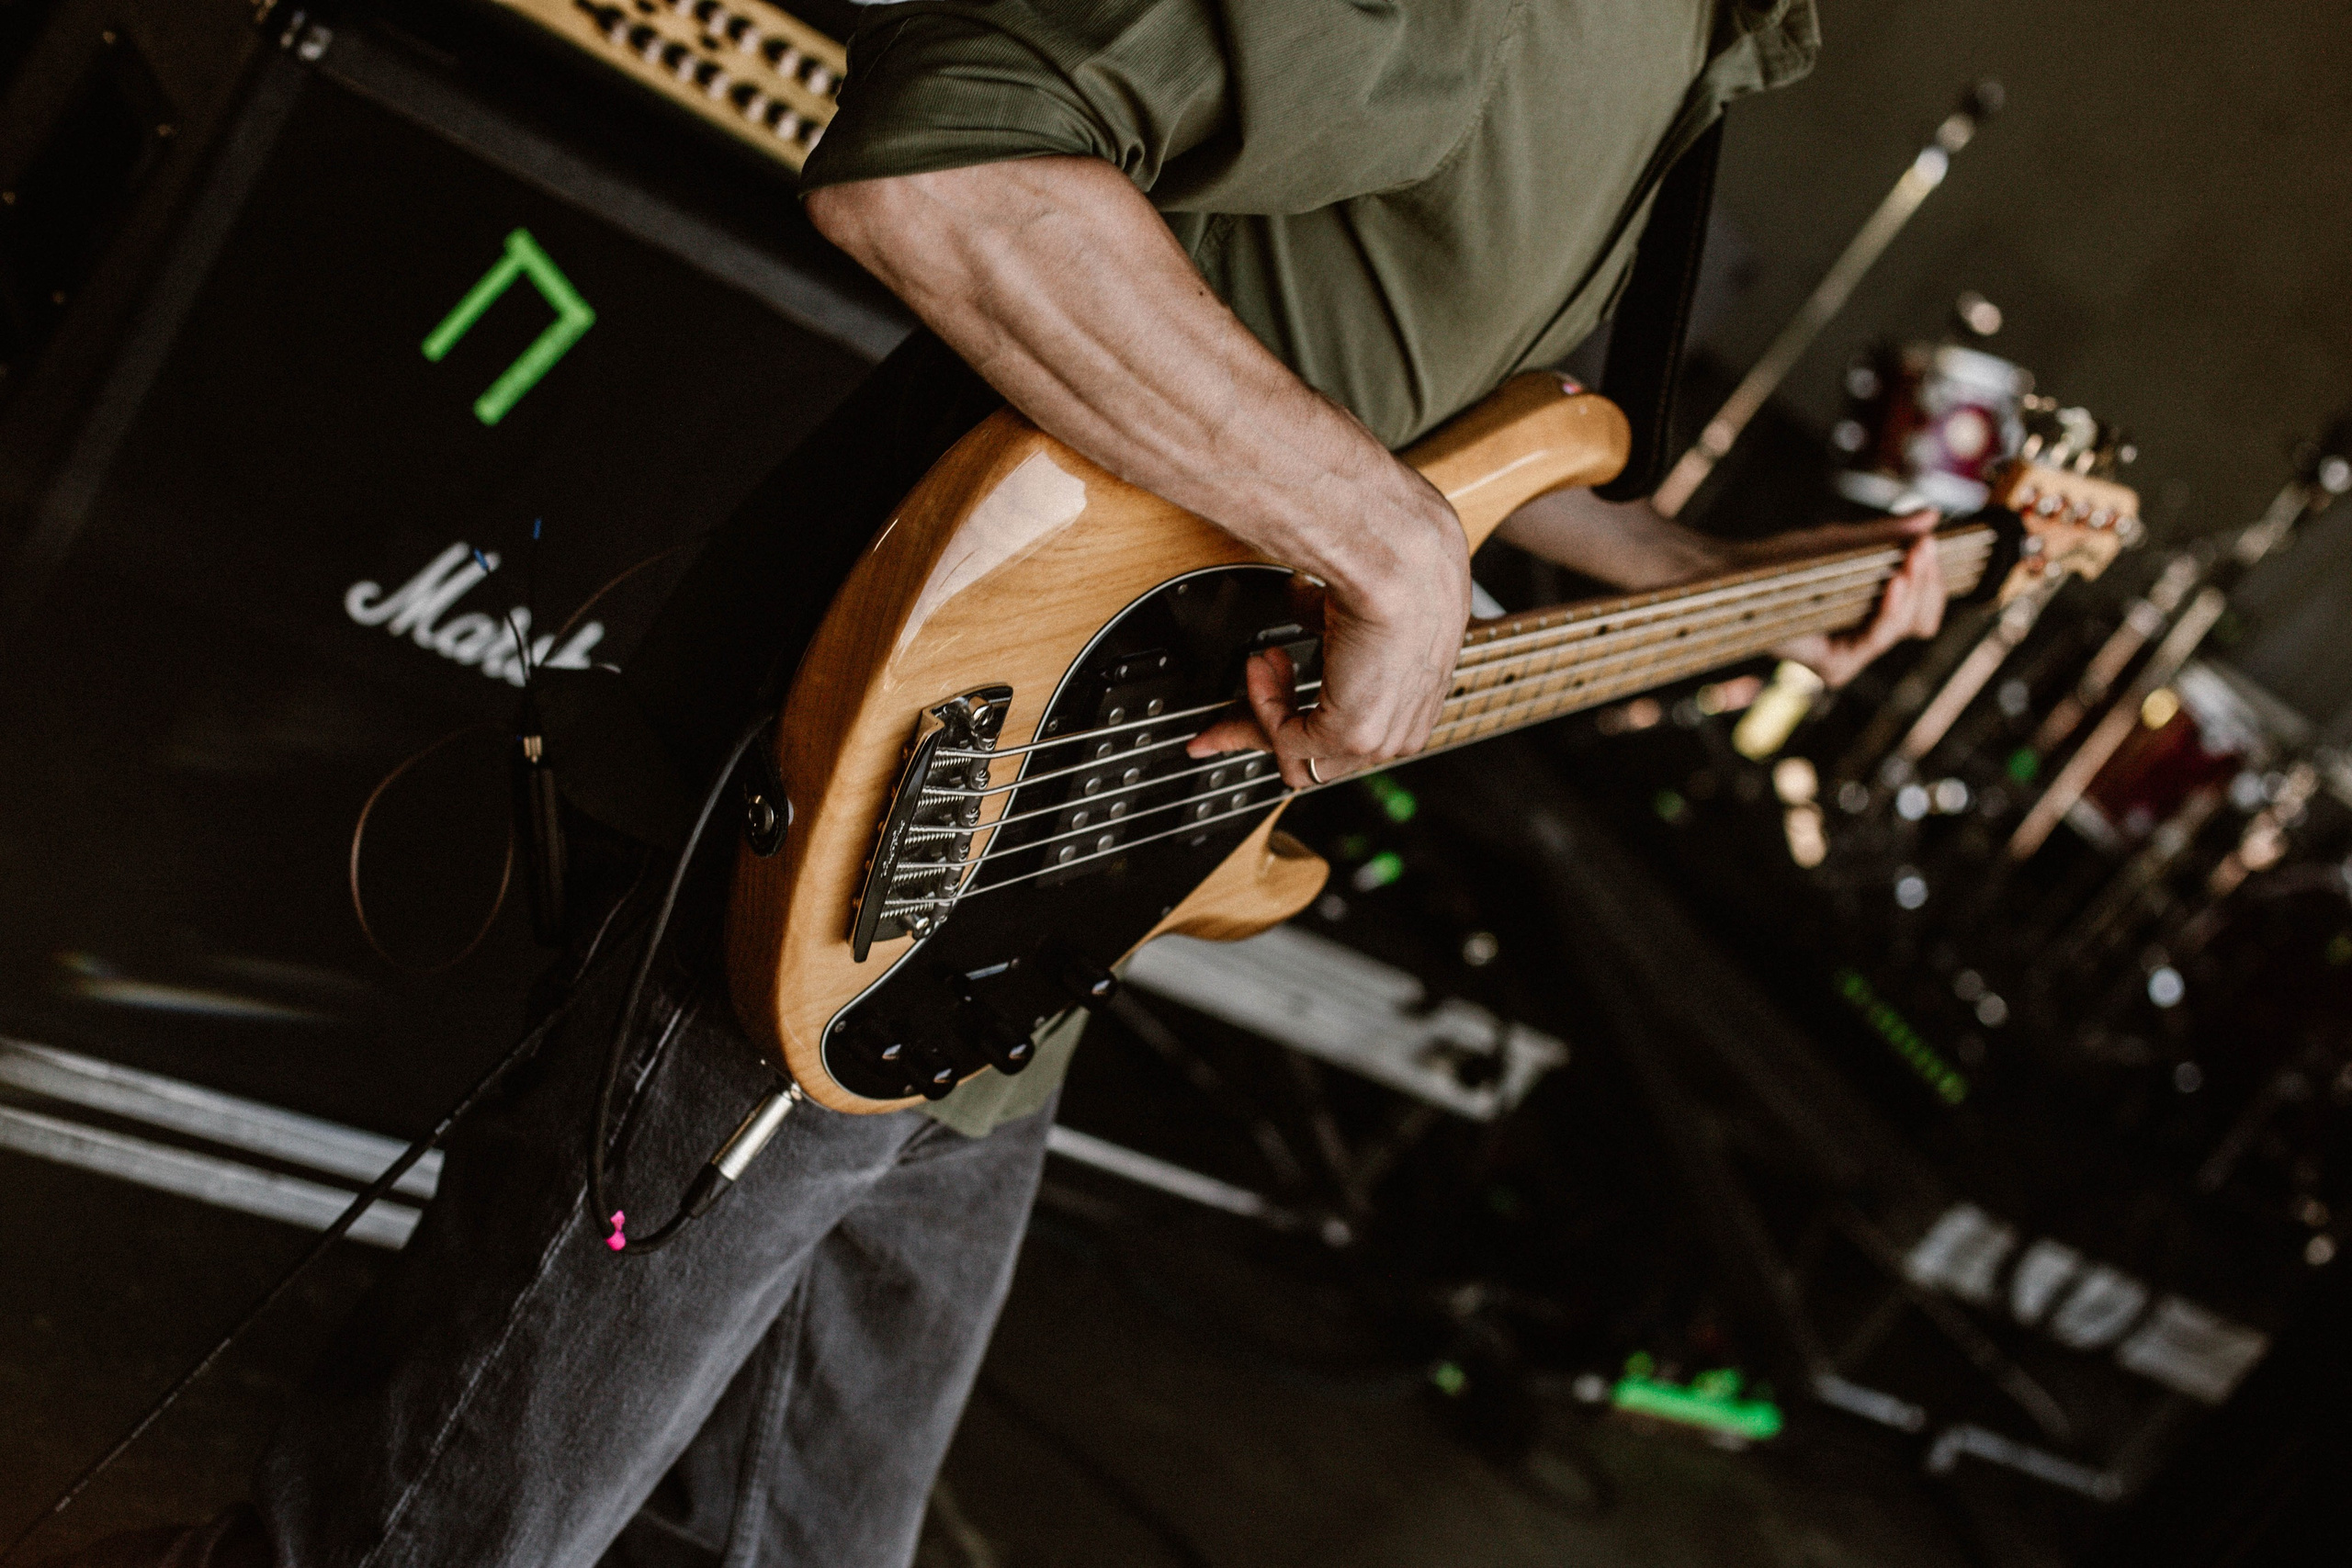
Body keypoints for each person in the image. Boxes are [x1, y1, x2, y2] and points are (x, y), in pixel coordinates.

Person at [48, 1, 1945, 1564]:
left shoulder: (1688, 48)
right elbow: (948, 159)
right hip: (874, 812)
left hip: (1060, 878)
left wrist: (1734, 591)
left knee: (814, 1532)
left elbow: (1450, 410)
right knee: (447, 1530)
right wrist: (1374, 541)